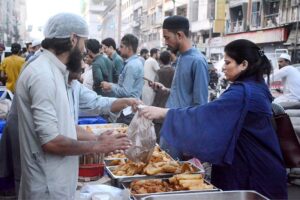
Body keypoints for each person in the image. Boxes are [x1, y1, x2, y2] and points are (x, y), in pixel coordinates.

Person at [139, 39, 287, 199]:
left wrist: (163, 113)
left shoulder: (243, 92)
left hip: (251, 170)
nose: (223, 67)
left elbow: (205, 114)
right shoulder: (256, 86)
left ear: (243, 64)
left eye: (228, 62)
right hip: (261, 164)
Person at [14, 13, 131, 199]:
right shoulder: (42, 75)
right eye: (83, 42)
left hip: (58, 182)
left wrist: (97, 137)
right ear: (73, 39)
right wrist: (96, 146)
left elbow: (64, 124)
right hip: (47, 186)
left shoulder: (56, 71)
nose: (85, 50)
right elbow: (50, 141)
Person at [149, 15, 209, 159]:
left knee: (175, 175)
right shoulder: (181, 57)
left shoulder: (197, 61)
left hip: (183, 131)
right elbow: (184, 94)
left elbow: (200, 105)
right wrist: (166, 90)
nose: (165, 42)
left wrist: (193, 139)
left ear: (180, 35)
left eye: (167, 37)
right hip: (170, 125)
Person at [101, 34, 144, 124]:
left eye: (121, 46)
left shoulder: (131, 65)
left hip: (128, 110)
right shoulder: (135, 63)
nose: (119, 49)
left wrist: (110, 86)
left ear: (129, 48)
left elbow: (125, 92)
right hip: (129, 108)